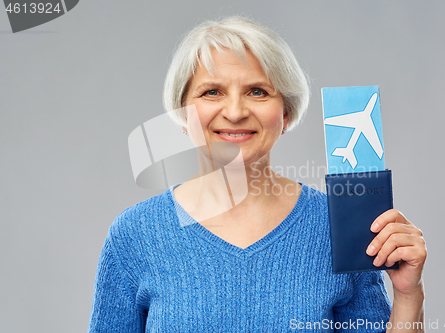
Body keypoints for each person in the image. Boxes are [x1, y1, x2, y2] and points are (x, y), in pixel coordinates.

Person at [88, 16, 426, 332]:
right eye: (212, 92)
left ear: (286, 113)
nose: (235, 112)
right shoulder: (135, 235)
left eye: (257, 91)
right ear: (182, 113)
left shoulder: (340, 225)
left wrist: (409, 295)